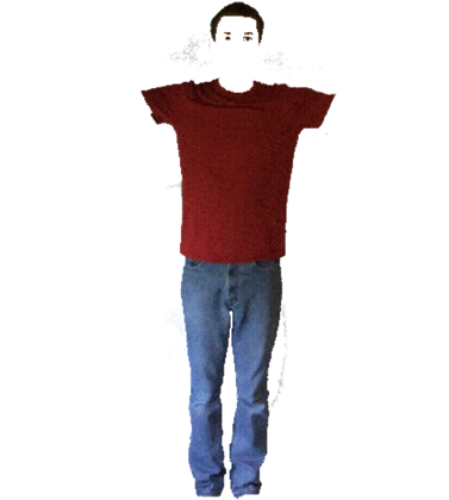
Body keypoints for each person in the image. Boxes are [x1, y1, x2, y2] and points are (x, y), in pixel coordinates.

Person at [140, 2, 336, 497]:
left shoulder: (286, 102)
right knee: (204, 391)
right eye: (229, 34)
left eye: (248, 34)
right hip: (200, 267)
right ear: (213, 41)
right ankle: (208, 487)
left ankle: (246, 487)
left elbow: (328, 100)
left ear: (261, 41)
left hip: (260, 267)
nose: (238, 42)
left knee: (253, 391)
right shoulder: (185, 98)